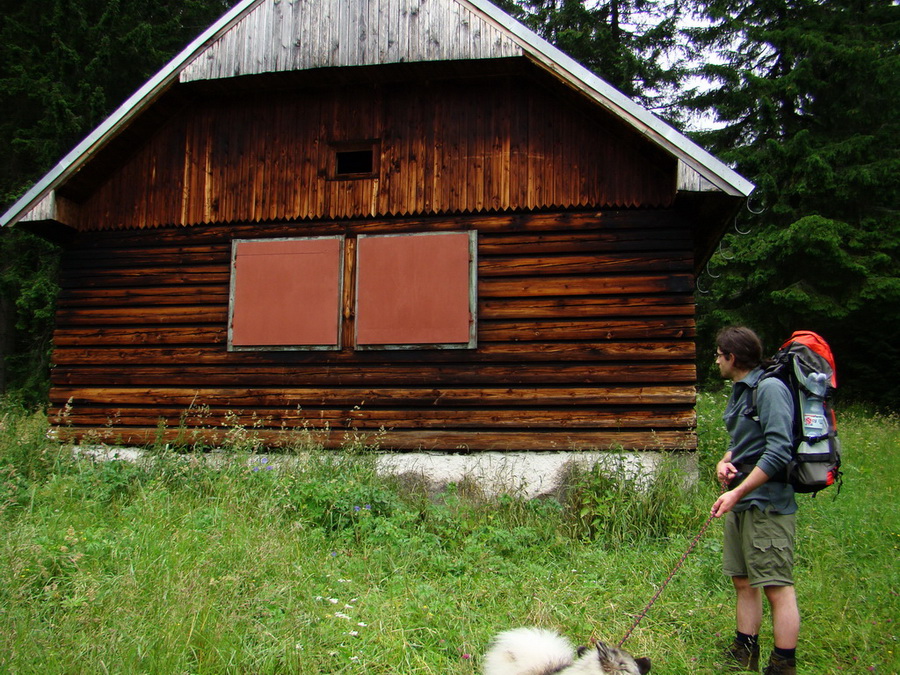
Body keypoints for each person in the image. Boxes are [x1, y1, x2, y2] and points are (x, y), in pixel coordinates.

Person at [711, 326, 799, 675]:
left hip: (768, 503)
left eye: (719, 354)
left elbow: (779, 450)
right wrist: (724, 460)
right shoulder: (740, 391)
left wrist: (737, 491)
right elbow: (743, 441)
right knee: (743, 580)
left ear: (732, 356)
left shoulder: (771, 389)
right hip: (744, 501)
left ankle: (782, 664)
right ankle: (743, 651)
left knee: (777, 586)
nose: (715, 360)